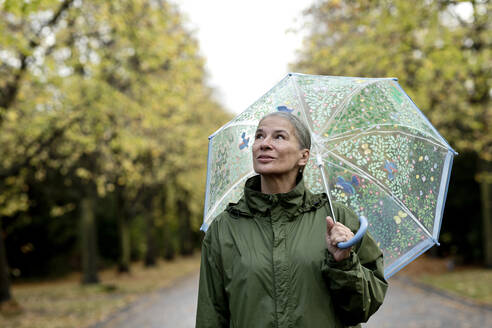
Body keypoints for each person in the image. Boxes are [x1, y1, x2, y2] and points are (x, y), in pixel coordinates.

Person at [196, 112, 388, 328]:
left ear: (304, 156)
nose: (264, 144)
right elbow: (211, 315)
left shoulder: (337, 218)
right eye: (259, 136)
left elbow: (363, 307)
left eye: (279, 137)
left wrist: (344, 264)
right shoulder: (225, 228)